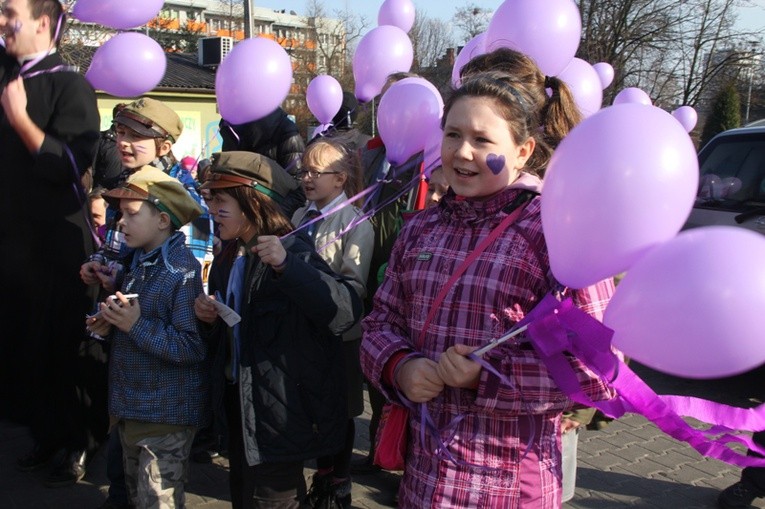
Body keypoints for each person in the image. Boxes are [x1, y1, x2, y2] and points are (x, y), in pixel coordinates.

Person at [360, 68, 617, 506]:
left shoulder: (557, 232)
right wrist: (398, 366)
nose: (462, 152)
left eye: (482, 140)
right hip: (423, 483)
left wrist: (489, 379)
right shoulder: (420, 229)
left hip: (509, 489)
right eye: (453, 134)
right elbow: (379, 323)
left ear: (522, 151)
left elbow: (601, 373)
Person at [193, 151, 362, 509]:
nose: (212, 210)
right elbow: (234, 334)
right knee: (243, 493)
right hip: (240, 407)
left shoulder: (292, 250)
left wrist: (289, 268)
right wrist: (208, 321)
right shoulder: (230, 255)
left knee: (274, 499)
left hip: (281, 416)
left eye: (221, 201)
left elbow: (344, 310)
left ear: (252, 202)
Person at [0, 0, 103, 487]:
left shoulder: (70, 84)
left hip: (57, 249)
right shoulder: (6, 80)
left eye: (8, 12)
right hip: (14, 246)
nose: (0, 22)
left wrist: (22, 121)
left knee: (63, 348)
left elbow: (69, 166)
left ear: (42, 22)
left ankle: (78, 441)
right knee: (25, 347)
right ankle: (44, 433)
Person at [86, 167, 208, 508]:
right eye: (120, 214)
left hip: (164, 419)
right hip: (132, 409)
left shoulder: (180, 272)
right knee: (138, 498)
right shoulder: (139, 264)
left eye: (131, 214)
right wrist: (108, 322)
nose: (120, 222)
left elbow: (191, 347)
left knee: (158, 501)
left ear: (163, 221)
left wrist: (134, 326)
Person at [292, 139, 374, 508]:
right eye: (303, 171)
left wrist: (309, 282)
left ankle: (338, 483)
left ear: (340, 179)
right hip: (302, 331)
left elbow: (353, 285)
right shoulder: (298, 217)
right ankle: (321, 473)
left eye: (315, 172)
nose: (307, 178)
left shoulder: (356, 224)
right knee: (312, 409)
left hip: (338, 335)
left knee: (339, 411)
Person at [352, 71, 423, 476]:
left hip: (405, 269)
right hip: (368, 267)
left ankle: (410, 459)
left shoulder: (430, 158)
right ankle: (381, 450)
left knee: (409, 368)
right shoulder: (372, 154)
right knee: (377, 364)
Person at [219, 107, 307, 217]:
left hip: (272, 222)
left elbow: (299, 188)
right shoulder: (231, 130)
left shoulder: (286, 132)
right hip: (243, 220)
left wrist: (270, 216)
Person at [91, 103, 128, 190]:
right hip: (103, 193)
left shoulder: (134, 140)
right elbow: (92, 167)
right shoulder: (100, 139)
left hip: (125, 191)